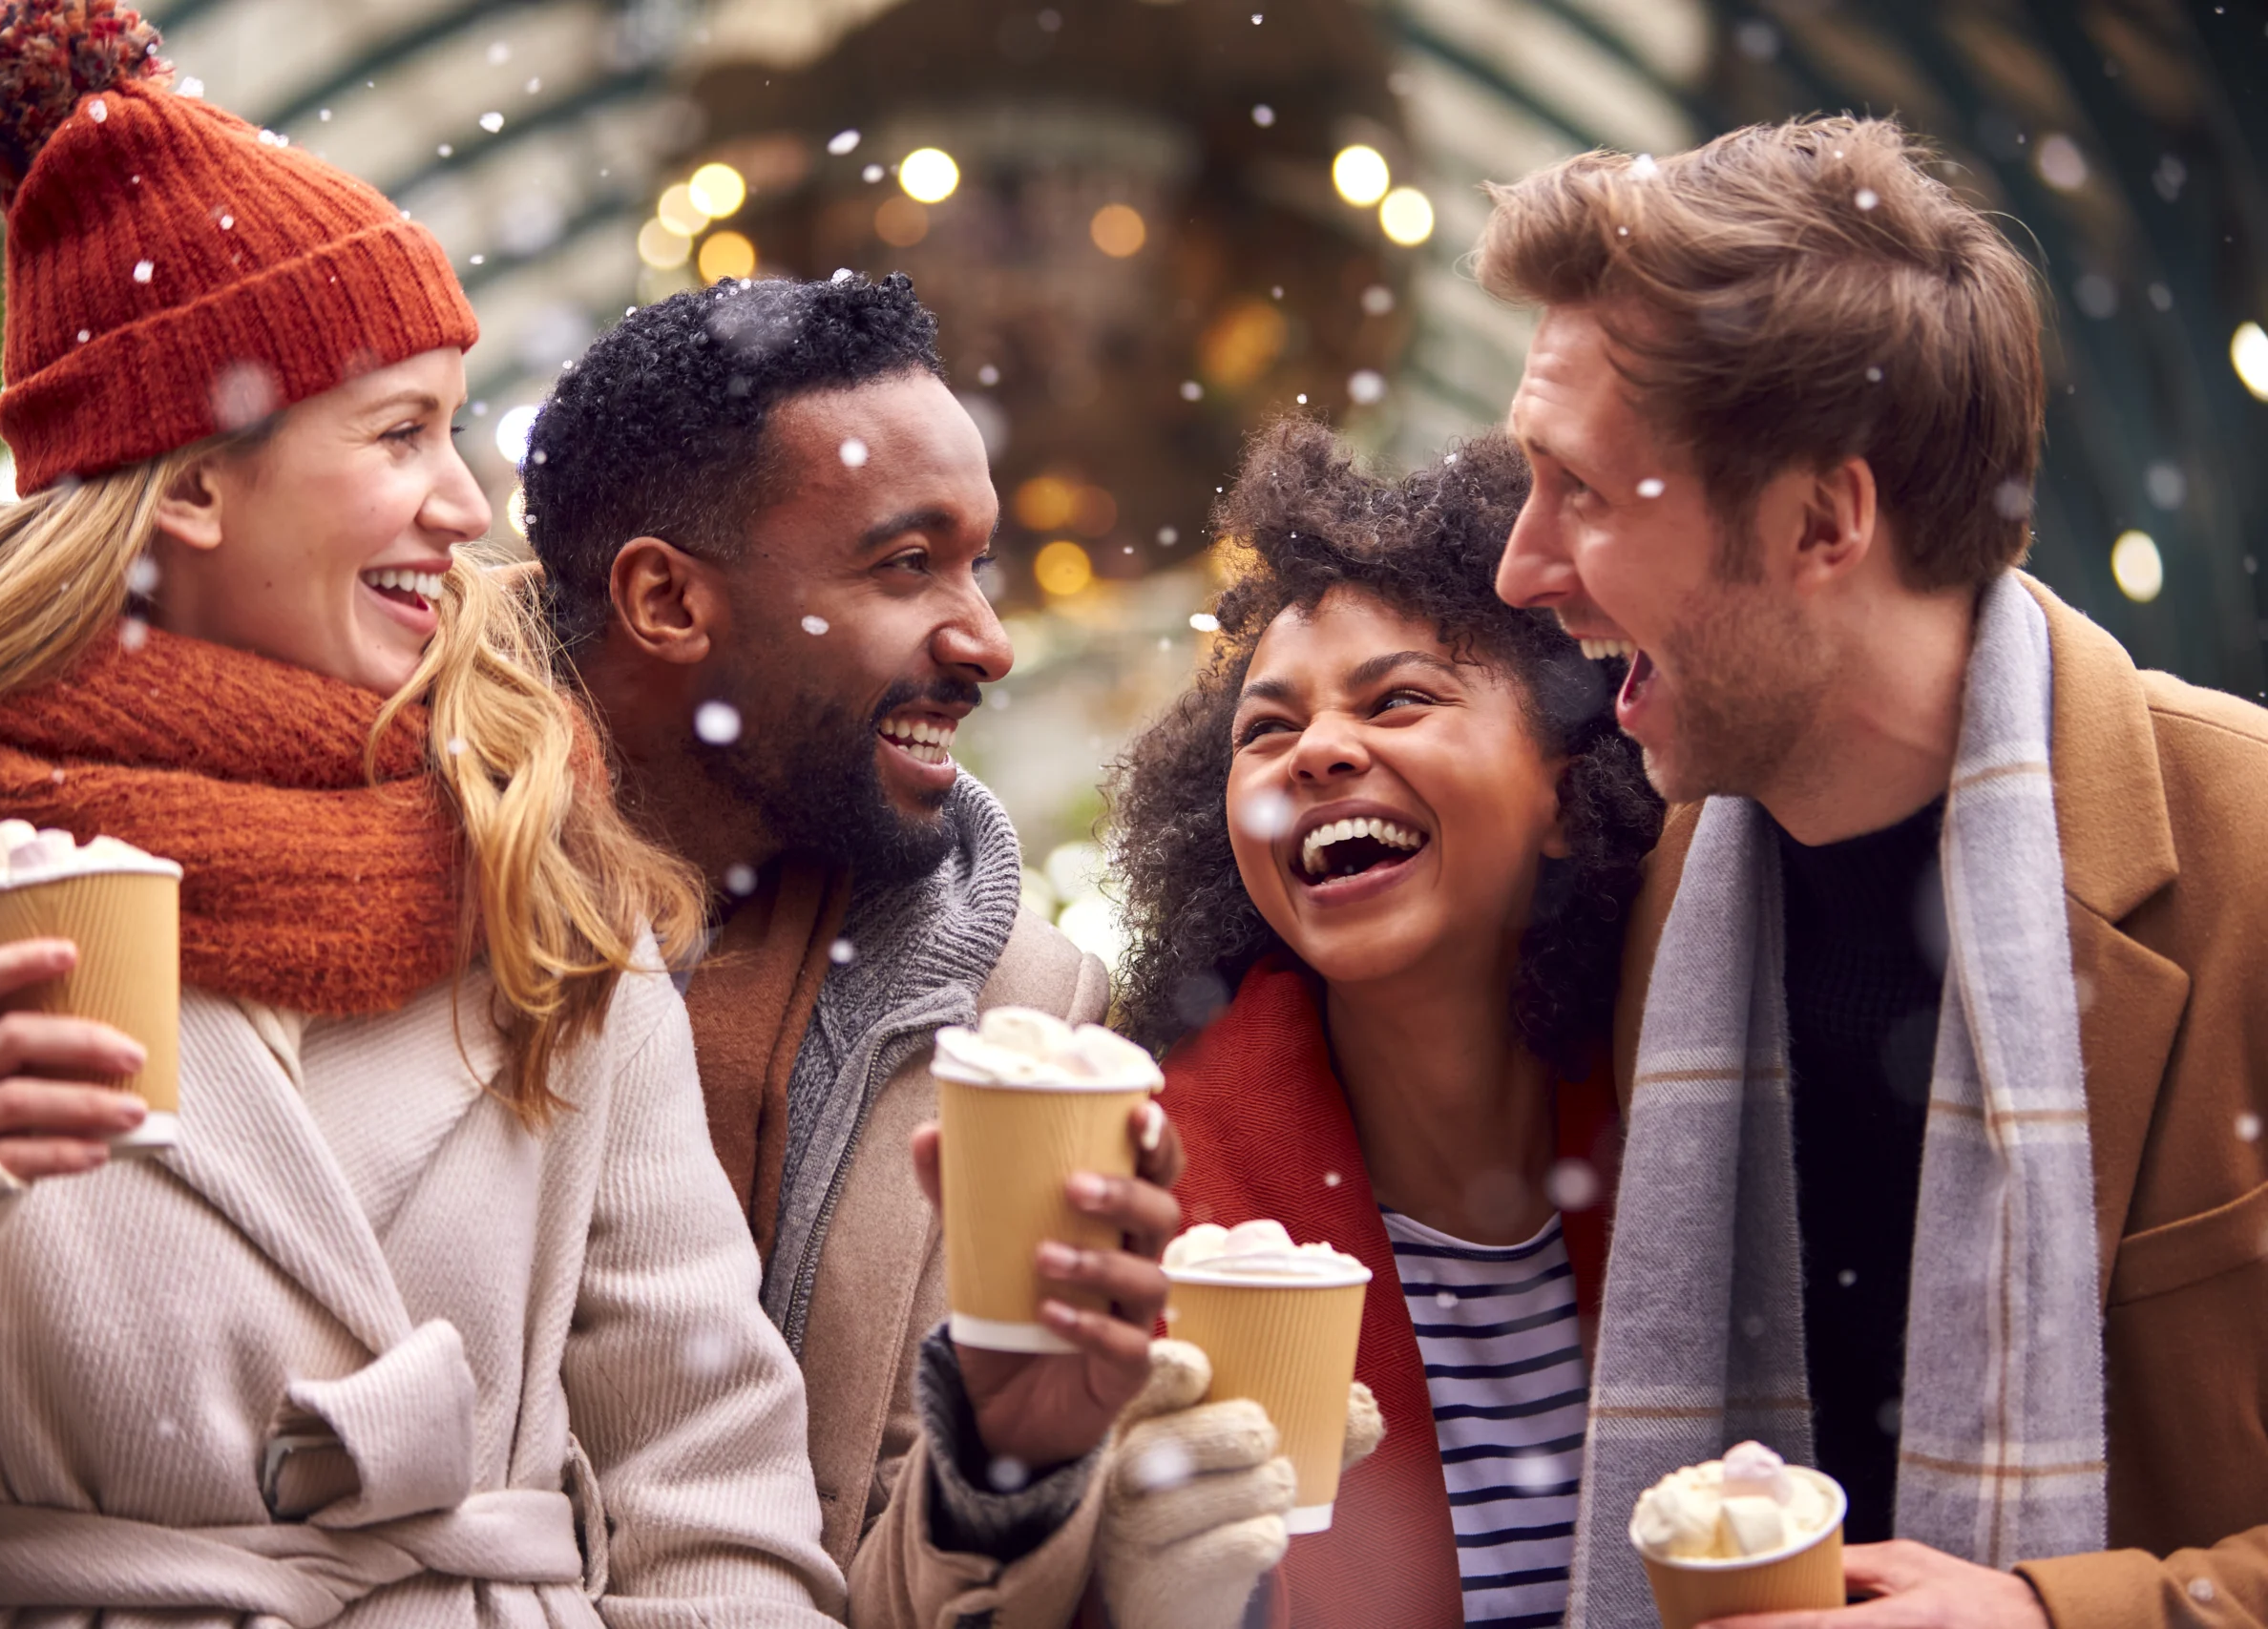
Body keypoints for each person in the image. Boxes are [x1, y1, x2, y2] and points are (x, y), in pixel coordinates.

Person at [0, 3, 842, 1621]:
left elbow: (710, 1481)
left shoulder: (528, 842)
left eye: (456, 421)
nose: (466, 502)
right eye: (400, 432)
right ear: (200, 479)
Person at [1483, 115, 2268, 1629]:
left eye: (1579, 487)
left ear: (1826, 521)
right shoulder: (1637, 887)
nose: (1525, 565)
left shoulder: (2249, 840)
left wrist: (2069, 1614)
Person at [518, 272, 1195, 1629]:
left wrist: (1005, 1457)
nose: (988, 640)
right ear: (663, 597)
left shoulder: (1025, 1016)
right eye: (908, 563)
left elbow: (876, 1586)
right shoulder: (391, 904)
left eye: (979, 562)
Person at [1101, 417, 1663, 1629]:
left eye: (1398, 699)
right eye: (1266, 728)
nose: (1317, 753)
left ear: (1573, 792)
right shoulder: (1145, 1196)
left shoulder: (1709, 1107)